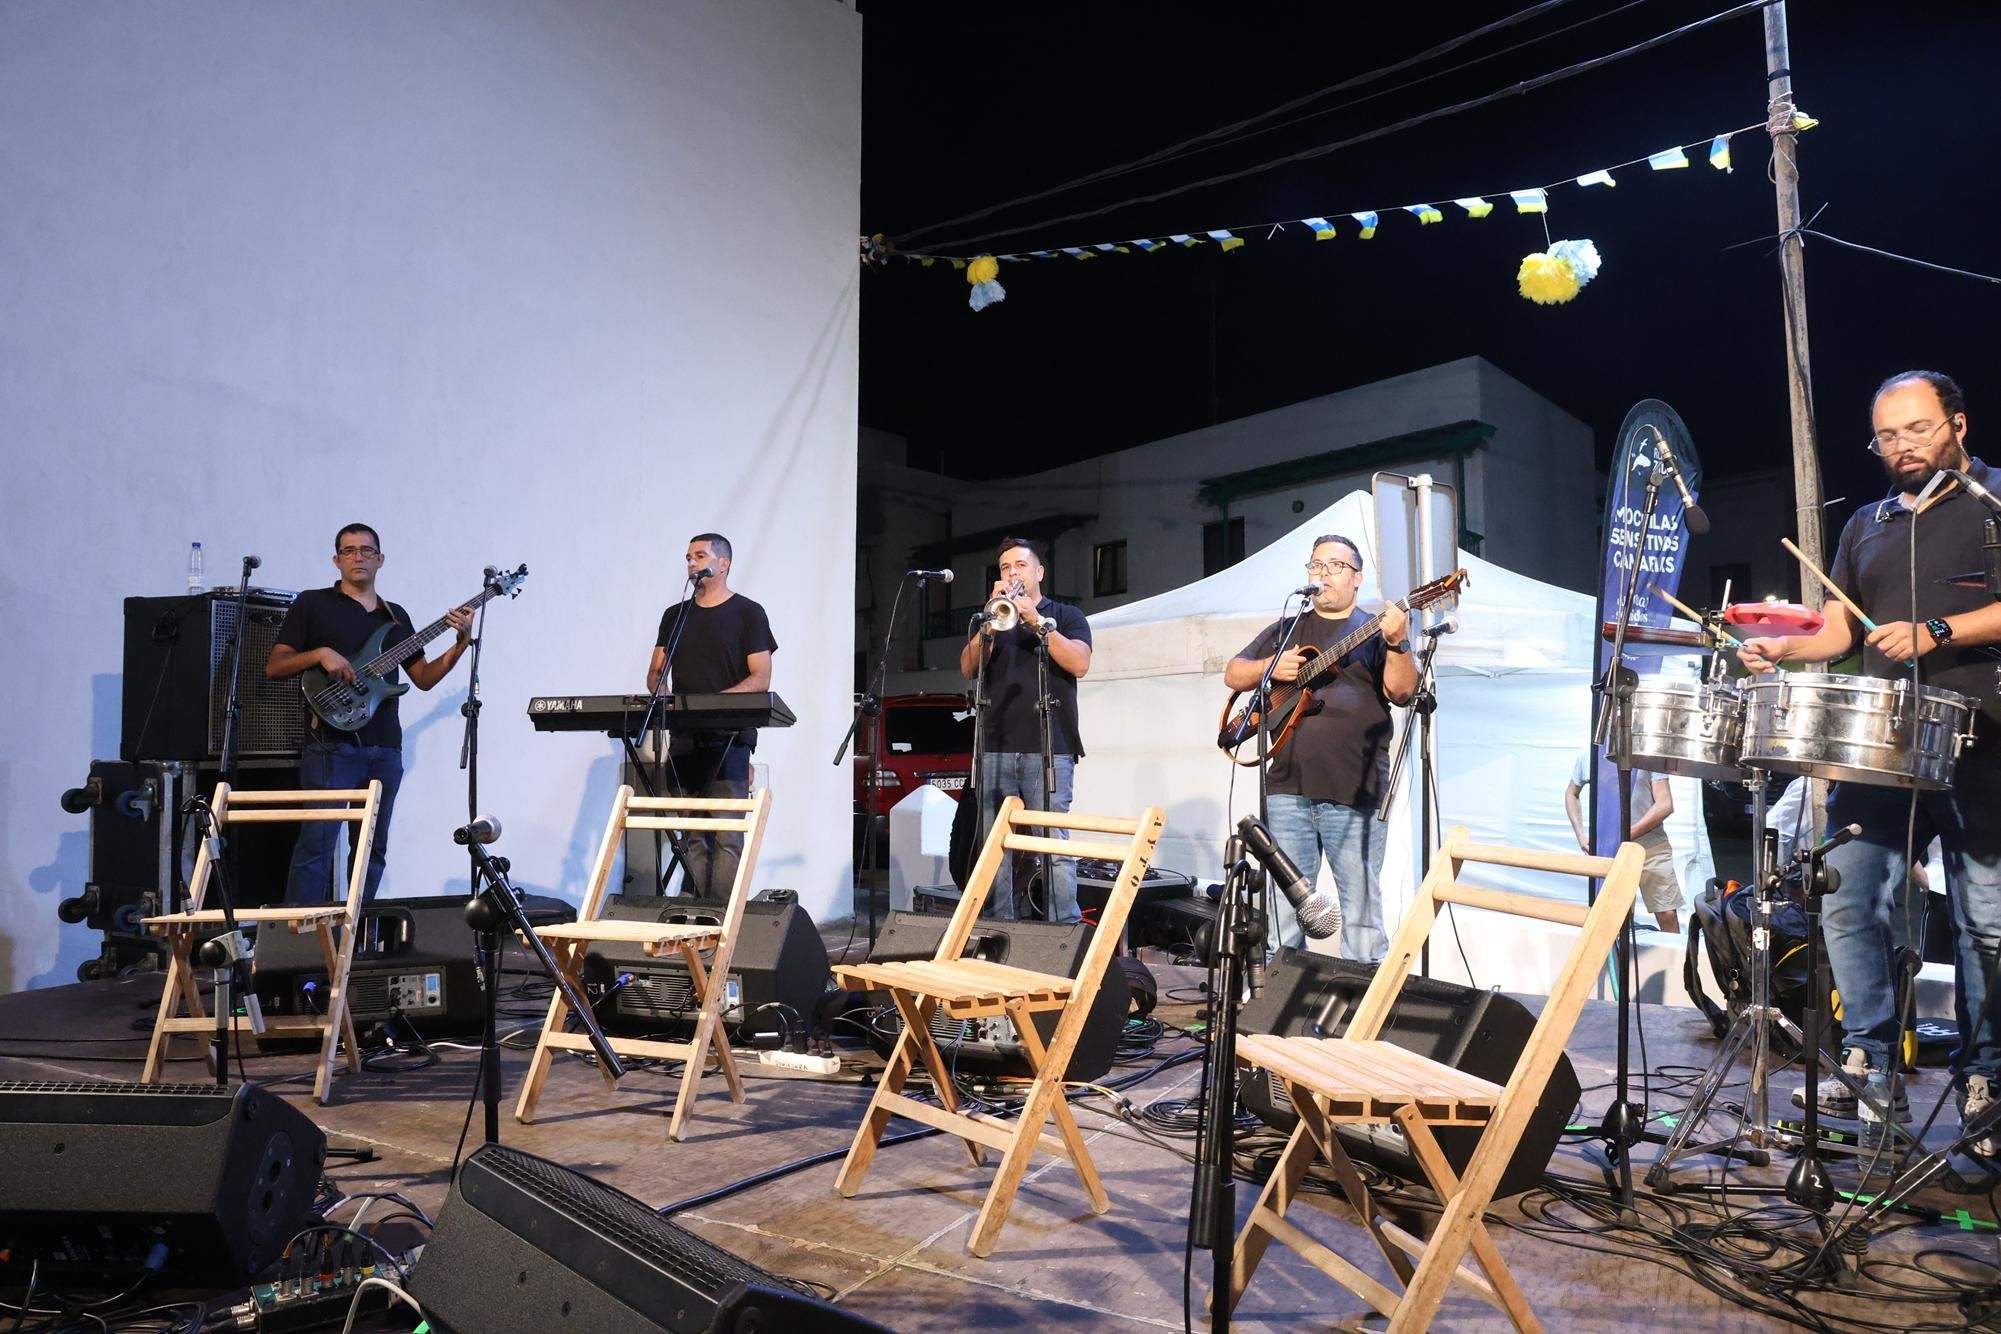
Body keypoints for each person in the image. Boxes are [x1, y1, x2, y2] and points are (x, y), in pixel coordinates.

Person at [1739, 370, 2001, 1153]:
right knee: (1847, 901)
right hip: (1879, 744)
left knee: (1983, 923)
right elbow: (1837, 630)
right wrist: (1781, 649)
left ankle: (1984, 1080)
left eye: (1916, 429)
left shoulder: (1995, 503)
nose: (1901, 447)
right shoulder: (1867, 523)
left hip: (1983, 741)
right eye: (1886, 436)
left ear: (1957, 423)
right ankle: (1869, 1066)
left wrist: (1938, 631)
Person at [1224, 534, 1415, 958]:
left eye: (1334, 566)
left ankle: (1361, 997)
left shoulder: (1374, 630)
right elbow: (1234, 673)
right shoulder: (1288, 628)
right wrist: (1270, 667)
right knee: (1283, 912)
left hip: (1355, 791)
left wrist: (1398, 642)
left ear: (1357, 577)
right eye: (1316, 565)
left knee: (1361, 914)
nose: (1323, 574)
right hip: (1287, 789)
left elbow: (1402, 692)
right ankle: (1281, 994)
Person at [267, 523, 472, 905]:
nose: (358, 557)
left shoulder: (395, 616)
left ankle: (360, 933)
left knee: (372, 852)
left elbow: (423, 678)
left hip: (385, 749)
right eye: (349, 551)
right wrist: (321, 654)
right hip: (331, 746)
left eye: (366, 550)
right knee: (316, 848)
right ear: (336, 560)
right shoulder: (313, 604)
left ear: (380, 559)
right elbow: (275, 666)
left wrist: (460, 644)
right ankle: (297, 936)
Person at [959, 536, 1093, 922]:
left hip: (1048, 748)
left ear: (1039, 572)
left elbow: (1080, 663)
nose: (1012, 573)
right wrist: (988, 625)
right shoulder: (993, 620)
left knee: (1052, 846)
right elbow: (968, 667)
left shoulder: (1066, 615)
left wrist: (1036, 622)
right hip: (995, 746)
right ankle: (999, 929)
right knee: (993, 846)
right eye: (1005, 567)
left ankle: (1064, 929)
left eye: (1020, 565)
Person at [646, 533, 777, 901]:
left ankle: (720, 919)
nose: (691, 563)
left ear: (723, 564)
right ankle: (696, 917)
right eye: (688, 557)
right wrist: (662, 691)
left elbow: (760, 678)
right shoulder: (675, 615)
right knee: (692, 834)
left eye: (700, 556)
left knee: (726, 835)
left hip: (729, 737)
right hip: (684, 737)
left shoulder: (749, 613)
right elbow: (656, 671)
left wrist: (712, 703)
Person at [1564, 748, 1680, 934]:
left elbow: (1665, 804)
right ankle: (1614, 953)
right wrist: (1581, 836)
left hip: (1651, 846)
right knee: (1616, 914)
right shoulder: (1590, 756)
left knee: (1666, 912)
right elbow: (1571, 793)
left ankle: (1676, 953)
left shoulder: (1648, 754)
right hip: (1611, 851)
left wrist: (1624, 834)